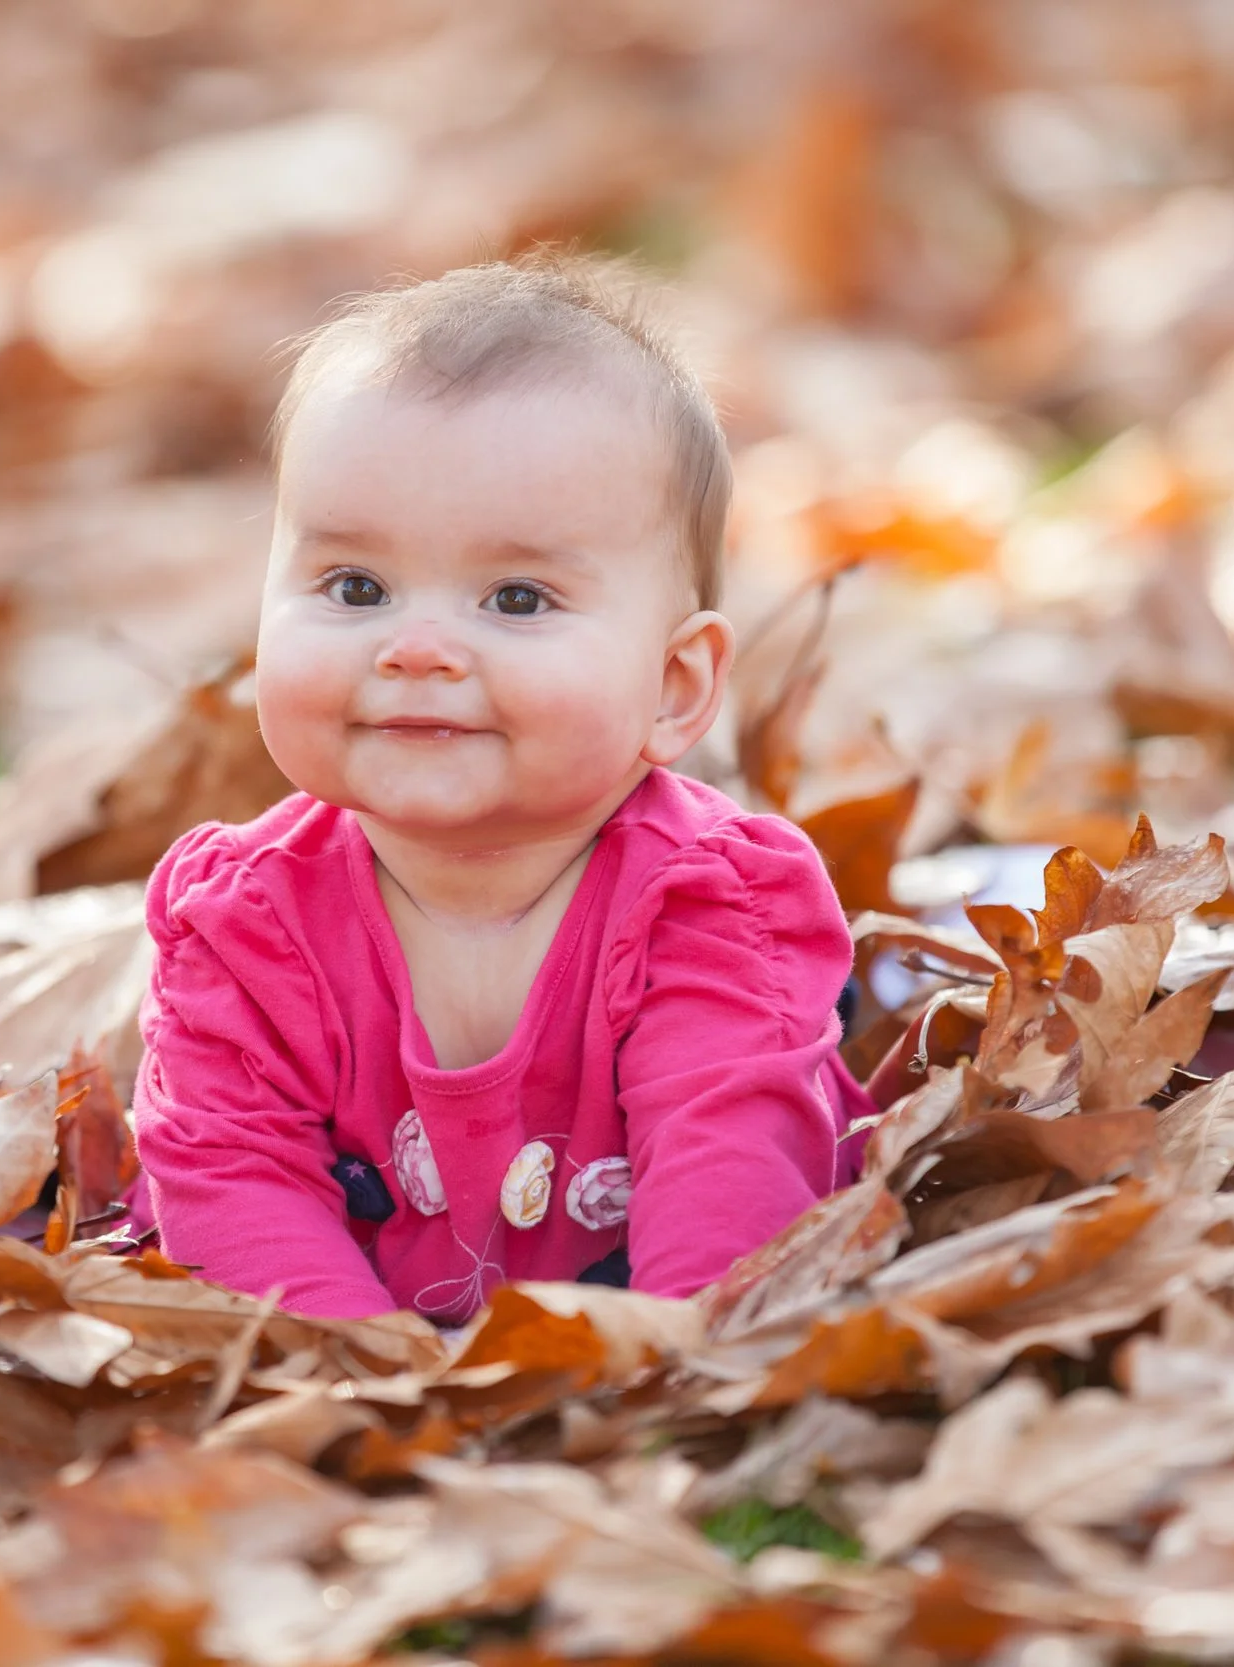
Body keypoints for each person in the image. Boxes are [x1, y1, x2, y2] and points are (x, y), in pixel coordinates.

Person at [122, 252, 875, 1324]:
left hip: (624, 1327)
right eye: (356, 586)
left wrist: (651, 1382)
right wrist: (371, 1384)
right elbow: (229, 1182)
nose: (416, 646)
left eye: (515, 598)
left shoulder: (706, 903)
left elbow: (731, 1188)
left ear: (673, 684)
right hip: (361, 1346)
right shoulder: (245, 925)